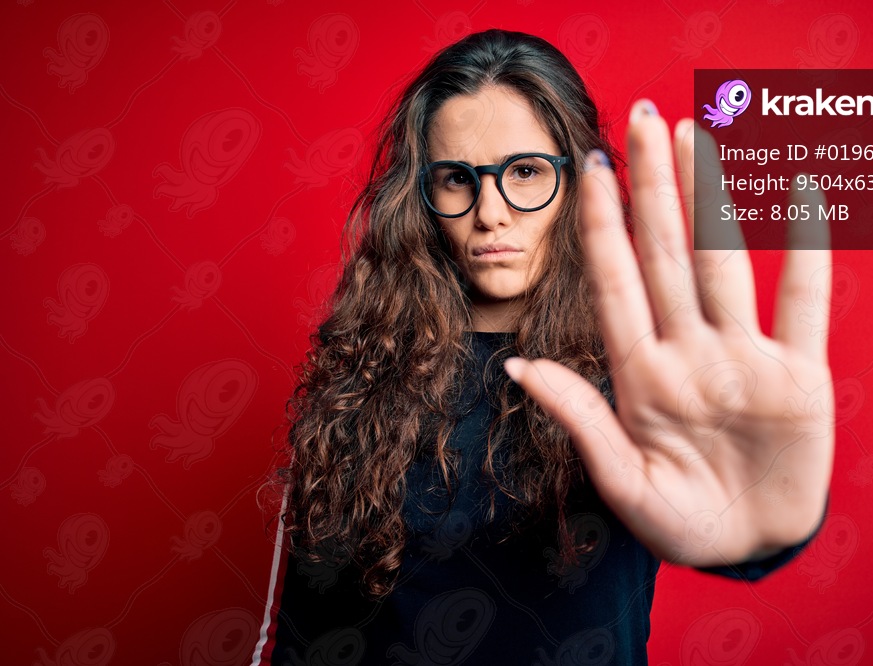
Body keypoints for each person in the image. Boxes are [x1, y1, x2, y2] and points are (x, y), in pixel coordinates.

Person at [254, 28, 833, 665]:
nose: (492, 212)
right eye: (456, 179)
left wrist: (759, 529)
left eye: (525, 172)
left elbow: (719, 513)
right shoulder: (362, 377)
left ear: (576, 178)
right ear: (420, 196)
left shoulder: (642, 373)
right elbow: (301, 634)